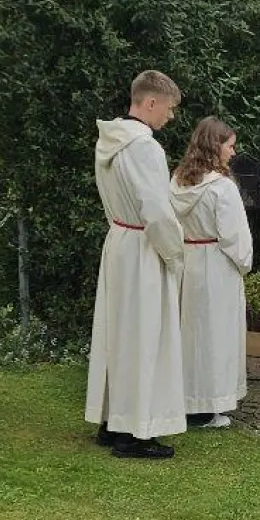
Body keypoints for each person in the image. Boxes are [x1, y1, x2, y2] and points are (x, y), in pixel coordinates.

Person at [86, 70, 187, 459]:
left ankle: (113, 421)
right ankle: (135, 432)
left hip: (120, 242)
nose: (171, 117)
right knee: (145, 337)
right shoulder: (145, 148)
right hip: (144, 247)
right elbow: (158, 212)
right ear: (150, 103)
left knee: (119, 335)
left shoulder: (110, 141)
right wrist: (174, 255)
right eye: (169, 108)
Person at [170, 116, 253, 430]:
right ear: (215, 146)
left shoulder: (178, 181)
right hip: (216, 264)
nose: (233, 152)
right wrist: (244, 263)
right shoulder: (222, 188)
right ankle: (206, 406)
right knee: (215, 336)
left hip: (187, 260)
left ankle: (185, 398)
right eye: (230, 146)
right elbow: (235, 237)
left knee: (189, 333)